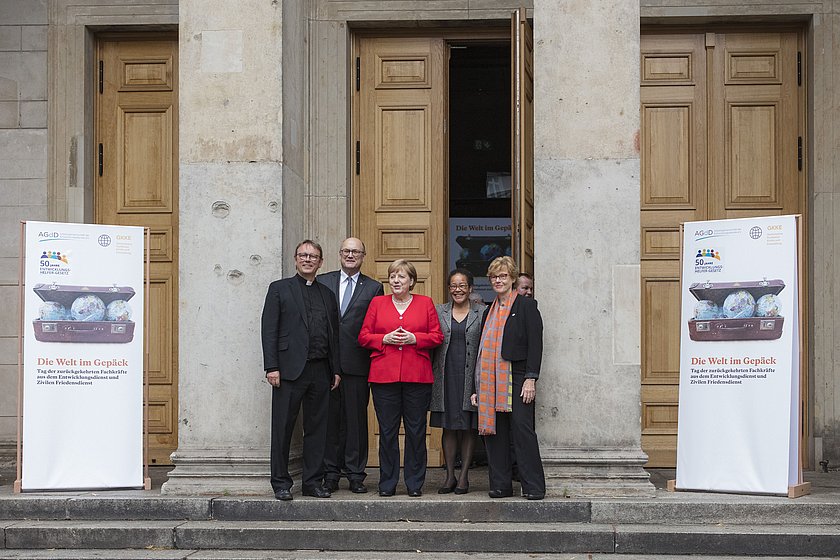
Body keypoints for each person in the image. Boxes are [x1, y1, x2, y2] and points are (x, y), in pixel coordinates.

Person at [261, 240, 341, 501]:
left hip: (320, 370)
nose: (308, 260)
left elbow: (334, 335)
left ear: (321, 262)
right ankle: (281, 483)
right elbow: (269, 330)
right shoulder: (279, 289)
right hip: (288, 371)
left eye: (313, 256)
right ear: (296, 259)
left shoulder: (328, 295)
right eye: (303, 255)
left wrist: (336, 369)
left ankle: (312, 482)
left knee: (318, 429)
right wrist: (271, 366)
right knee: (283, 428)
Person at [358, 259, 443, 497]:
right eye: (393, 276)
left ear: (412, 281)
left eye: (402, 276)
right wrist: (383, 339)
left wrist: (415, 339)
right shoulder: (377, 303)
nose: (396, 280)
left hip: (417, 377)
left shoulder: (425, 303)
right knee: (387, 432)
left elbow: (437, 337)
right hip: (384, 377)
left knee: (416, 431)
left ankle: (415, 484)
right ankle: (387, 483)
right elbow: (363, 336)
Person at [471, 256, 545, 500]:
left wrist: (531, 378)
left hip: (518, 377)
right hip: (490, 382)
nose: (498, 281)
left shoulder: (526, 306)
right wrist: (476, 388)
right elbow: (481, 353)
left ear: (513, 279)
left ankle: (533, 486)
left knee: (522, 431)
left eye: (503, 276)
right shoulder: (487, 312)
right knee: (496, 434)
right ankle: (501, 485)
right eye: (494, 277)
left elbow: (535, 344)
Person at [317, 237, 384, 494]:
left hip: (358, 363)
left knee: (356, 421)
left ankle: (356, 474)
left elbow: (377, 325)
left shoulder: (374, 288)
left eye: (356, 251)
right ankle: (331, 473)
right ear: (339, 253)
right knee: (329, 420)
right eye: (346, 250)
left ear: (363, 256)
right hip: (327, 363)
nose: (350, 255)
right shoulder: (323, 281)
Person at [431, 268, 485, 495]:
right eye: (453, 285)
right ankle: (450, 476)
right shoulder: (438, 311)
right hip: (445, 375)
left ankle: (464, 478)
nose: (458, 289)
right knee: (449, 426)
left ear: (471, 288)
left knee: (469, 426)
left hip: (471, 376)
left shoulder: (482, 312)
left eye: (462, 285)